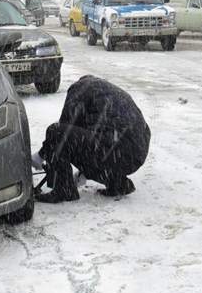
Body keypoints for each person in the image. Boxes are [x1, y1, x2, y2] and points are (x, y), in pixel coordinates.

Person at [32, 75, 150, 204]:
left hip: (117, 146)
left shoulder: (81, 87)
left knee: (55, 131)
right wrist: (85, 170)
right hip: (135, 155)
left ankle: (64, 190)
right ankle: (118, 184)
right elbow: (85, 136)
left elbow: (64, 126)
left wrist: (41, 155)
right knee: (87, 146)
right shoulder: (107, 93)